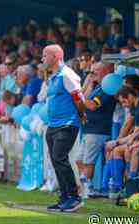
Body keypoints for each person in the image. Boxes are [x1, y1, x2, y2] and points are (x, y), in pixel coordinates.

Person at [42, 44, 86, 212]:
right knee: (55, 160)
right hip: (53, 125)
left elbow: (78, 98)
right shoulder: (53, 77)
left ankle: (74, 197)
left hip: (67, 123)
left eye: (45, 55)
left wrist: (81, 115)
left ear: (55, 56)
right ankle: (64, 197)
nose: (42, 59)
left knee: (60, 157)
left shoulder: (67, 75)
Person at [76, 62, 115, 198]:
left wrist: (79, 97)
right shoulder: (96, 87)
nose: (91, 75)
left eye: (94, 72)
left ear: (104, 72)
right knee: (78, 159)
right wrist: (87, 84)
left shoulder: (106, 89)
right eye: (90, 72)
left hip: (98, 130)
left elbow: (92, 105)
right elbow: (82, 101)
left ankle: (87, 188)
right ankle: (86, 186)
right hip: (88, 129)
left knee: (88, 161)